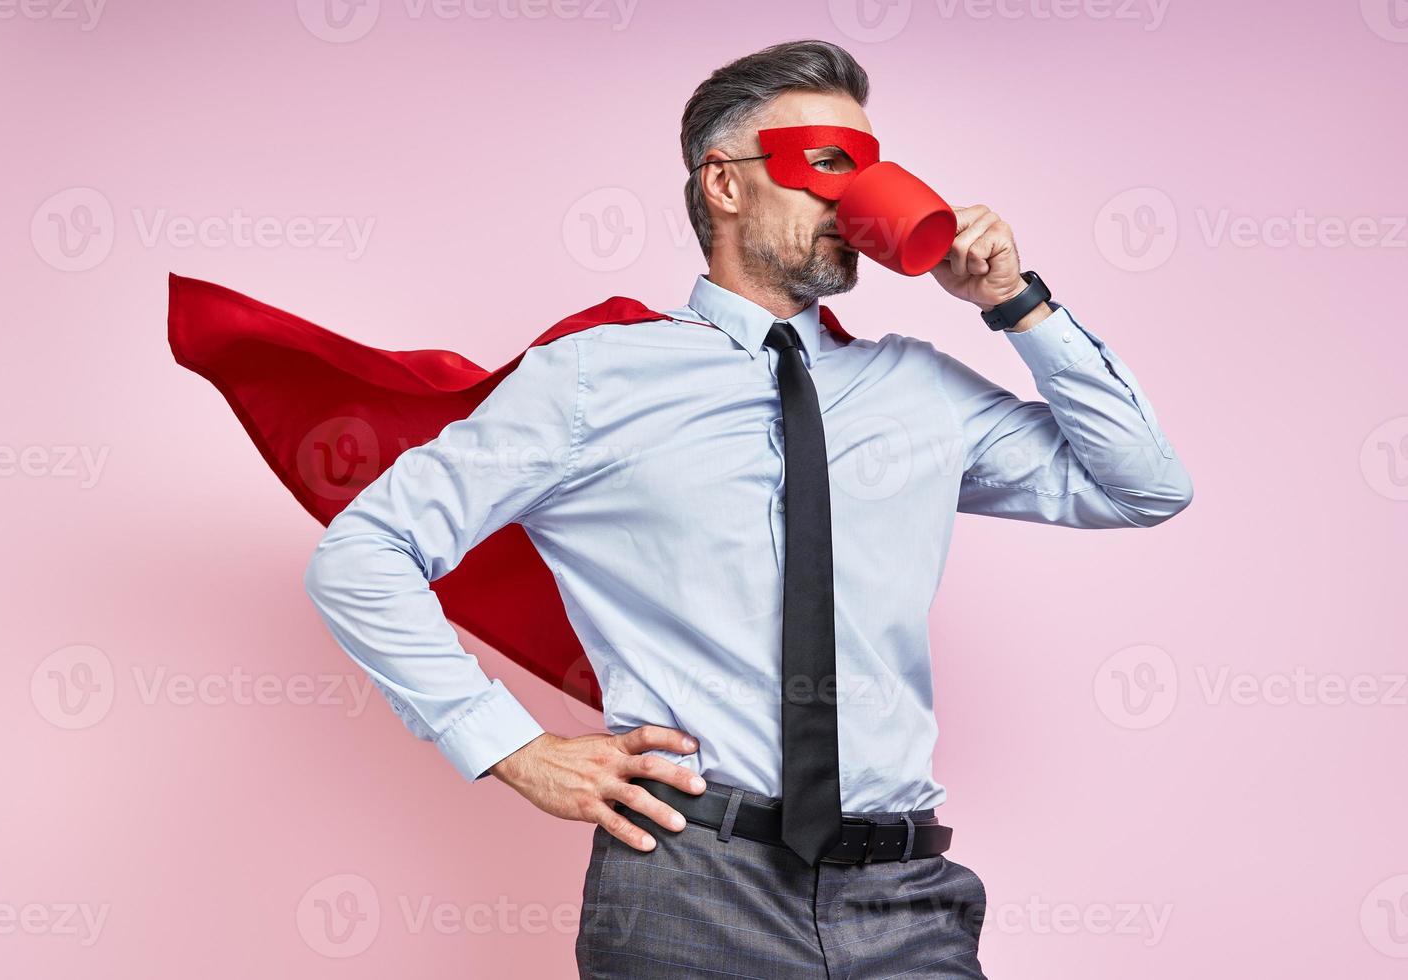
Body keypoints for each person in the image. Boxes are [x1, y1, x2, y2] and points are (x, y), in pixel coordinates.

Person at [302, 38, 1193, 979]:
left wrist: (1015, 302)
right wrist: (509, 747)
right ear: (724, 186)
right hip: (690, 885)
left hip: (906, 898)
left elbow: (1142, 485)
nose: (852, 201)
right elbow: (366, 550)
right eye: (825, 167)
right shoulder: (592, 381)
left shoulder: (918, 391)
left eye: (870, 169)